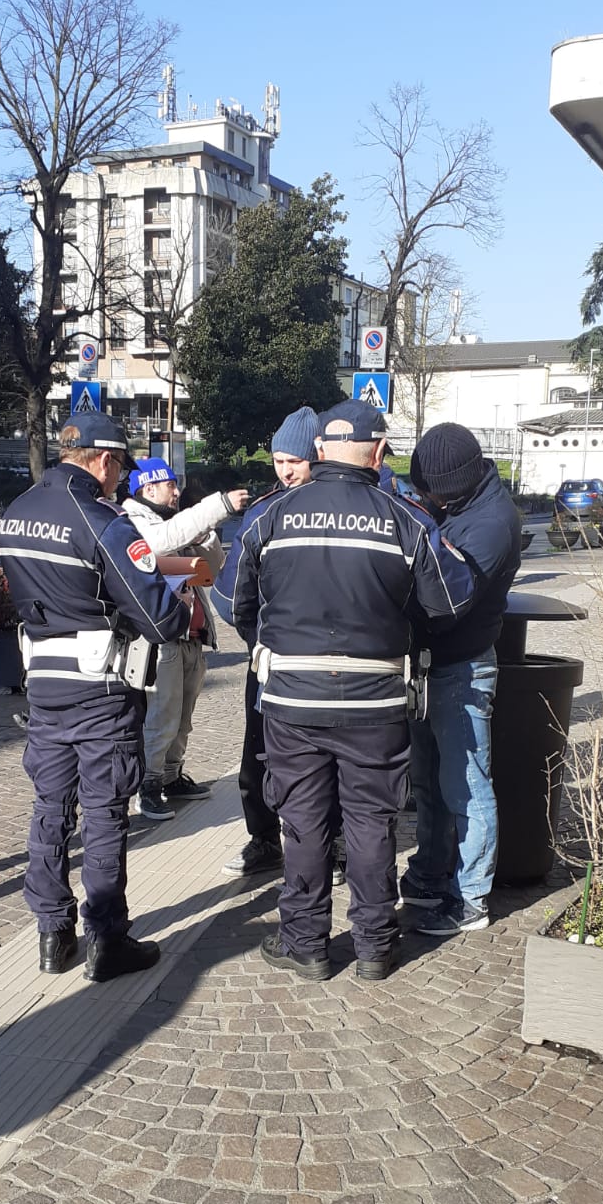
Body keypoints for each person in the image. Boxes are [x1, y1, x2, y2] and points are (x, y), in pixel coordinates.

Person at [232, 400, 474, 983]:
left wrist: (278, 652)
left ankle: (306, 944)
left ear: (318, 451)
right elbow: (450, 601)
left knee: (304, 822)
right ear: (380, 451)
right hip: (376, 700)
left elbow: (235, 605)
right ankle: (374, 947)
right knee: (371, 823)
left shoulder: (270, 515)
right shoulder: (407, 518)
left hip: (292, 699)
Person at [0, 411, 190, 983]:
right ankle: (107, 939)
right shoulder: (102, 521)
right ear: (104, 460)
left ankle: (51, 935)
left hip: (45, 685)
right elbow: (158, 617)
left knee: (50, 810)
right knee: (105, 813)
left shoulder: (17, 513)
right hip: (101, 689)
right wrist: (175, 604)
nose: (119, 479)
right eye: (120, 468)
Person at [398, 424, 523, 938]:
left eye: (428, 489)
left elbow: (446, 602)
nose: (422, 495)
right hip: (432, 666)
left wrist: (420, 525)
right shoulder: (459, 505)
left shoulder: (491, 523)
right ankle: (431, 871)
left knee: (467, 785)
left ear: (451, 486)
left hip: (462, 666)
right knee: (429, 781)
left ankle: (471, 897)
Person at [212, 407, 319, 877]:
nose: (286, 471)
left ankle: (328, 843)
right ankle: (263, 838)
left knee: (325, 758)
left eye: (294, 460)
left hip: (330, 663)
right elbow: (232, 593)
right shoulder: (263, 512)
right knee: (258, 753)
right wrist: (259, 640)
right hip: (271, 661)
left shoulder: (346, 505)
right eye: (278, 461)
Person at [122, 458, 249, 819]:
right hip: (161, 639)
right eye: (170, 485)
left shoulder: (175, 524)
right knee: (162, 715)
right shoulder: (134, 522)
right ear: (149, 488)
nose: (177, 492)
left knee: (184, 715)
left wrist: (203, 534)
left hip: (191, 633)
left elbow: (210, 568)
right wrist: (214, 509)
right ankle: (147, 784)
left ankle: (172, 775)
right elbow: (161, 545)